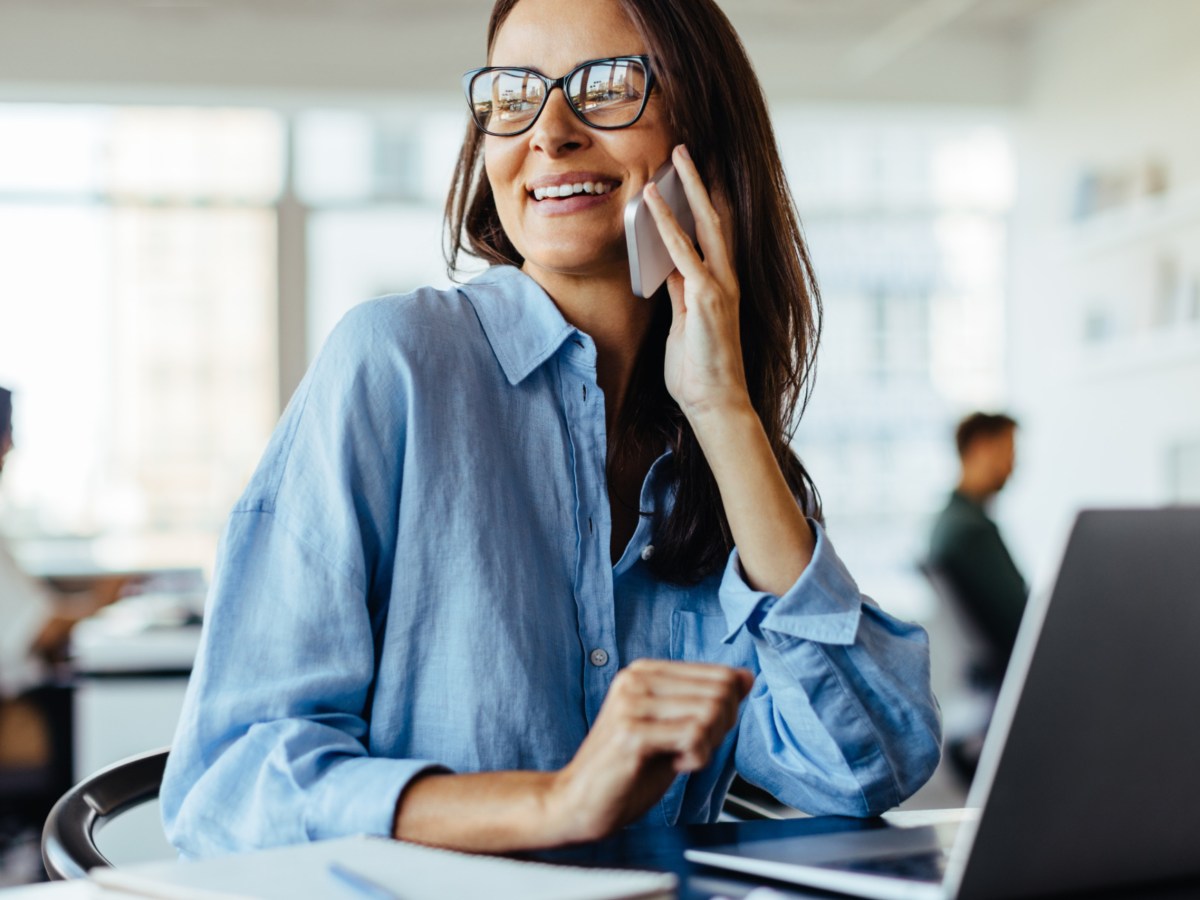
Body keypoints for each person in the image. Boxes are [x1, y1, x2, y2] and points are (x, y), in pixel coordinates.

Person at [161, 0, 942, 858]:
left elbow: (867, 762)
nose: (551, 130)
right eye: (512, 94)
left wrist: (724, 412)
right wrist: (551, 804)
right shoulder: (396, 364)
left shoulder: (711, 445)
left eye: (606, 87)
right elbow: (227, 784)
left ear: (702, 137)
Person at [927, 412, 1027, 685]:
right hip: (1012, 674)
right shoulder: (971, 531)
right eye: (1009, 451)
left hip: (986, 678)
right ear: (982, 447)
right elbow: (1020, 618)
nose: (1013, 465)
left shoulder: (948, 522)